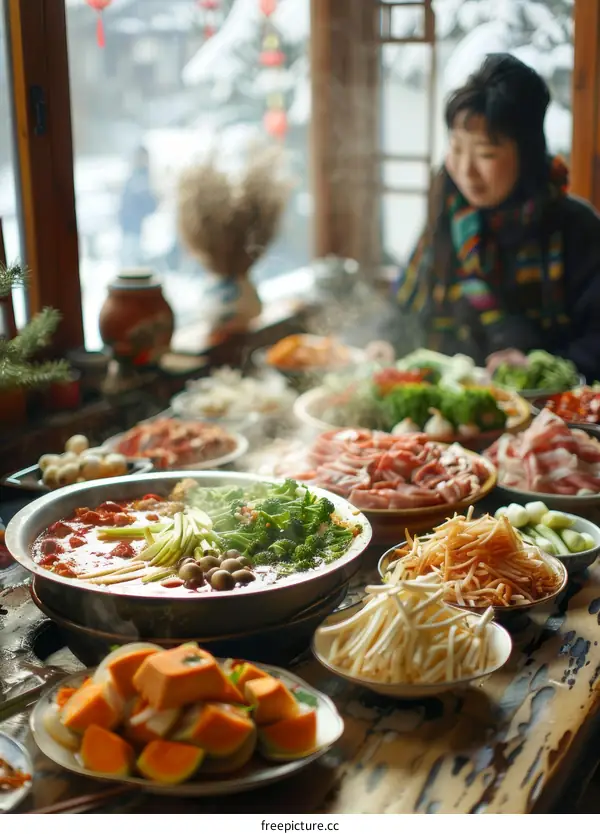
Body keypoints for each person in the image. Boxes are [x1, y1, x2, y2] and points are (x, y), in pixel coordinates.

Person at [394, 53, 600, 381]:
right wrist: (384, 343)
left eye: (486, 153)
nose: (465, 170)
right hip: (445, 408)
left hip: (544, 415)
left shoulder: (576, 227)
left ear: (528, 154)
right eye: (457, 148)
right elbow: (404, 307)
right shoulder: (448, 213)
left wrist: (539, 367)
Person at [118, 146, 157, 267]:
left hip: (142, 229)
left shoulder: (145, 179)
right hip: (130, 229)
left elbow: (150, 205)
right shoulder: (134, 179)